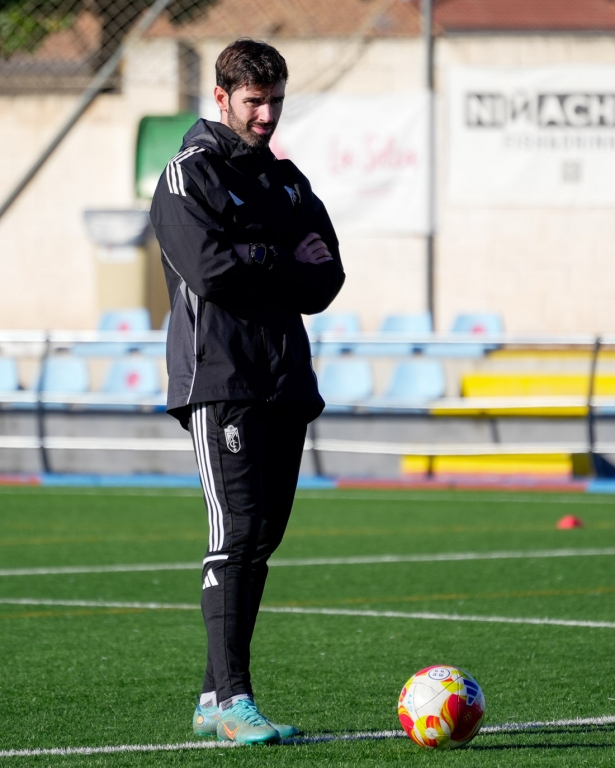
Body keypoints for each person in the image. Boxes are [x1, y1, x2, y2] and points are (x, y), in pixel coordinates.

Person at [150, 38, 345, 745]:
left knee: (262, 538)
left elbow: (325, 279)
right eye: (254, 101)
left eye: (275, 101)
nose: (266, 115)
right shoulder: (186, 177)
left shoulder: (286, 181)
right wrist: (272, 254)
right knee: (233, 534)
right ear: (223, 98)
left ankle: (213, 696)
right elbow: (211, 273)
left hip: (285, 378)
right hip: (220, 377)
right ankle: (233, 700)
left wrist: (256, 254)